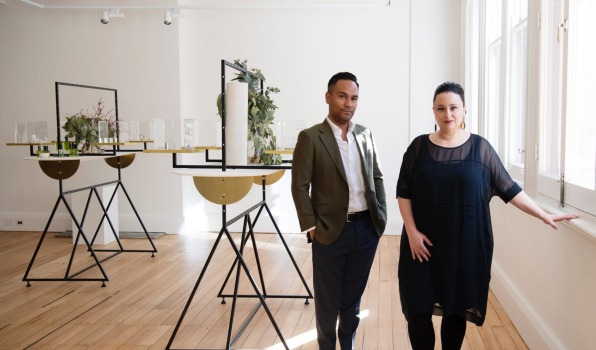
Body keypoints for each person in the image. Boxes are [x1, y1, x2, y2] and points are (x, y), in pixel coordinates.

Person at [396, 81, 578, 350]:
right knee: (417, 311)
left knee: (455, 310)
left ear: (464, 110)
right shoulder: (418, 148)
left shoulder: (481, 149)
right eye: (441, 108)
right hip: (421, 246)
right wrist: (411, 232)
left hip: (463, 247)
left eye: (454, 108)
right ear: (433, 112)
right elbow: (403, 192)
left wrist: (543, 214)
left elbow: (510, 188)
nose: (448, 114)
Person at [291, 72, 387, 350]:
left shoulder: (365, 134)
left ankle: (348, 346)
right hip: (329, 232)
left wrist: (379, 218)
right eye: (342, 96)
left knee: (352, 300)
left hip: (366, 229)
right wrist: (311, 227)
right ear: (328, 97)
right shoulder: (311, 137)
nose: (349, 103)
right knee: (327, 302)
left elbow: (376, 177)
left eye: (354, 98)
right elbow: (300, 185)